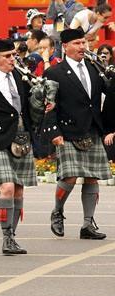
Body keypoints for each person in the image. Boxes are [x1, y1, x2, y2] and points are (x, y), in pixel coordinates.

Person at [44, 28, 111, 240]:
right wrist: (54, 131)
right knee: (70, 177)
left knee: (92, 178)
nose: (82, 47)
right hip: (68, 131)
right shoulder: (54, 72)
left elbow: (109, 94)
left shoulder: (94, 69)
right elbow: (48, 106)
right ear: (65, 46)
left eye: (84, 43)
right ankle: (57, 210)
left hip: (92, 129)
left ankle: (87, 224)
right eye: (77, 43)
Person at [0, 39, 39, 254]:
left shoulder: (20, 76)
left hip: (21, 138)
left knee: (18, 190)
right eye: (7, 56)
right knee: (6, 188)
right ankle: (7, 237)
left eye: (13, 55)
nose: (12, 59)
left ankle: (12, 237)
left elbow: (29, 105)